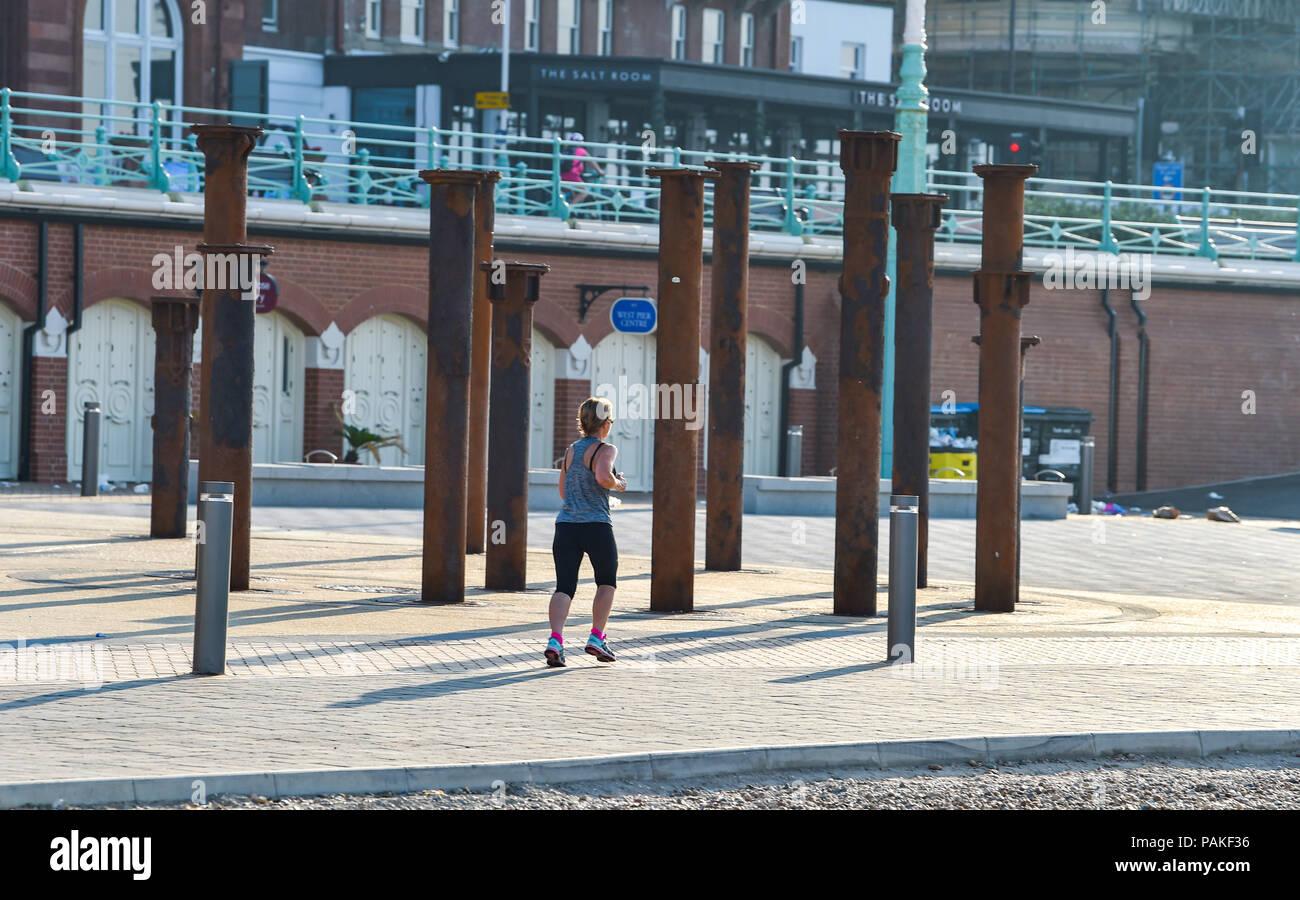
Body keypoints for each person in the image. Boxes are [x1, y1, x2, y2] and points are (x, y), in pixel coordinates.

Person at [545, 396, 627, 667]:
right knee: (606, 582)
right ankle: (596, 637)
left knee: (564, 586)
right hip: (596, 525)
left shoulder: (571, 450)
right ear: (605, 423)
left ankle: (555, 640)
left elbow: (562, 490)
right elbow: (603, 477)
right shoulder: (606, 449)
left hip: (566, 525)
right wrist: (617, 484)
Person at [559, 132, 604, 211]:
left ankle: (561, 209)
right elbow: (592, 162)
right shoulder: (581, 151)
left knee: (566, 194)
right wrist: (600, 171)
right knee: (584, 191)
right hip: (572, 176)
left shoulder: (566, 150)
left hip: (561, 175)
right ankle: (569, 209)